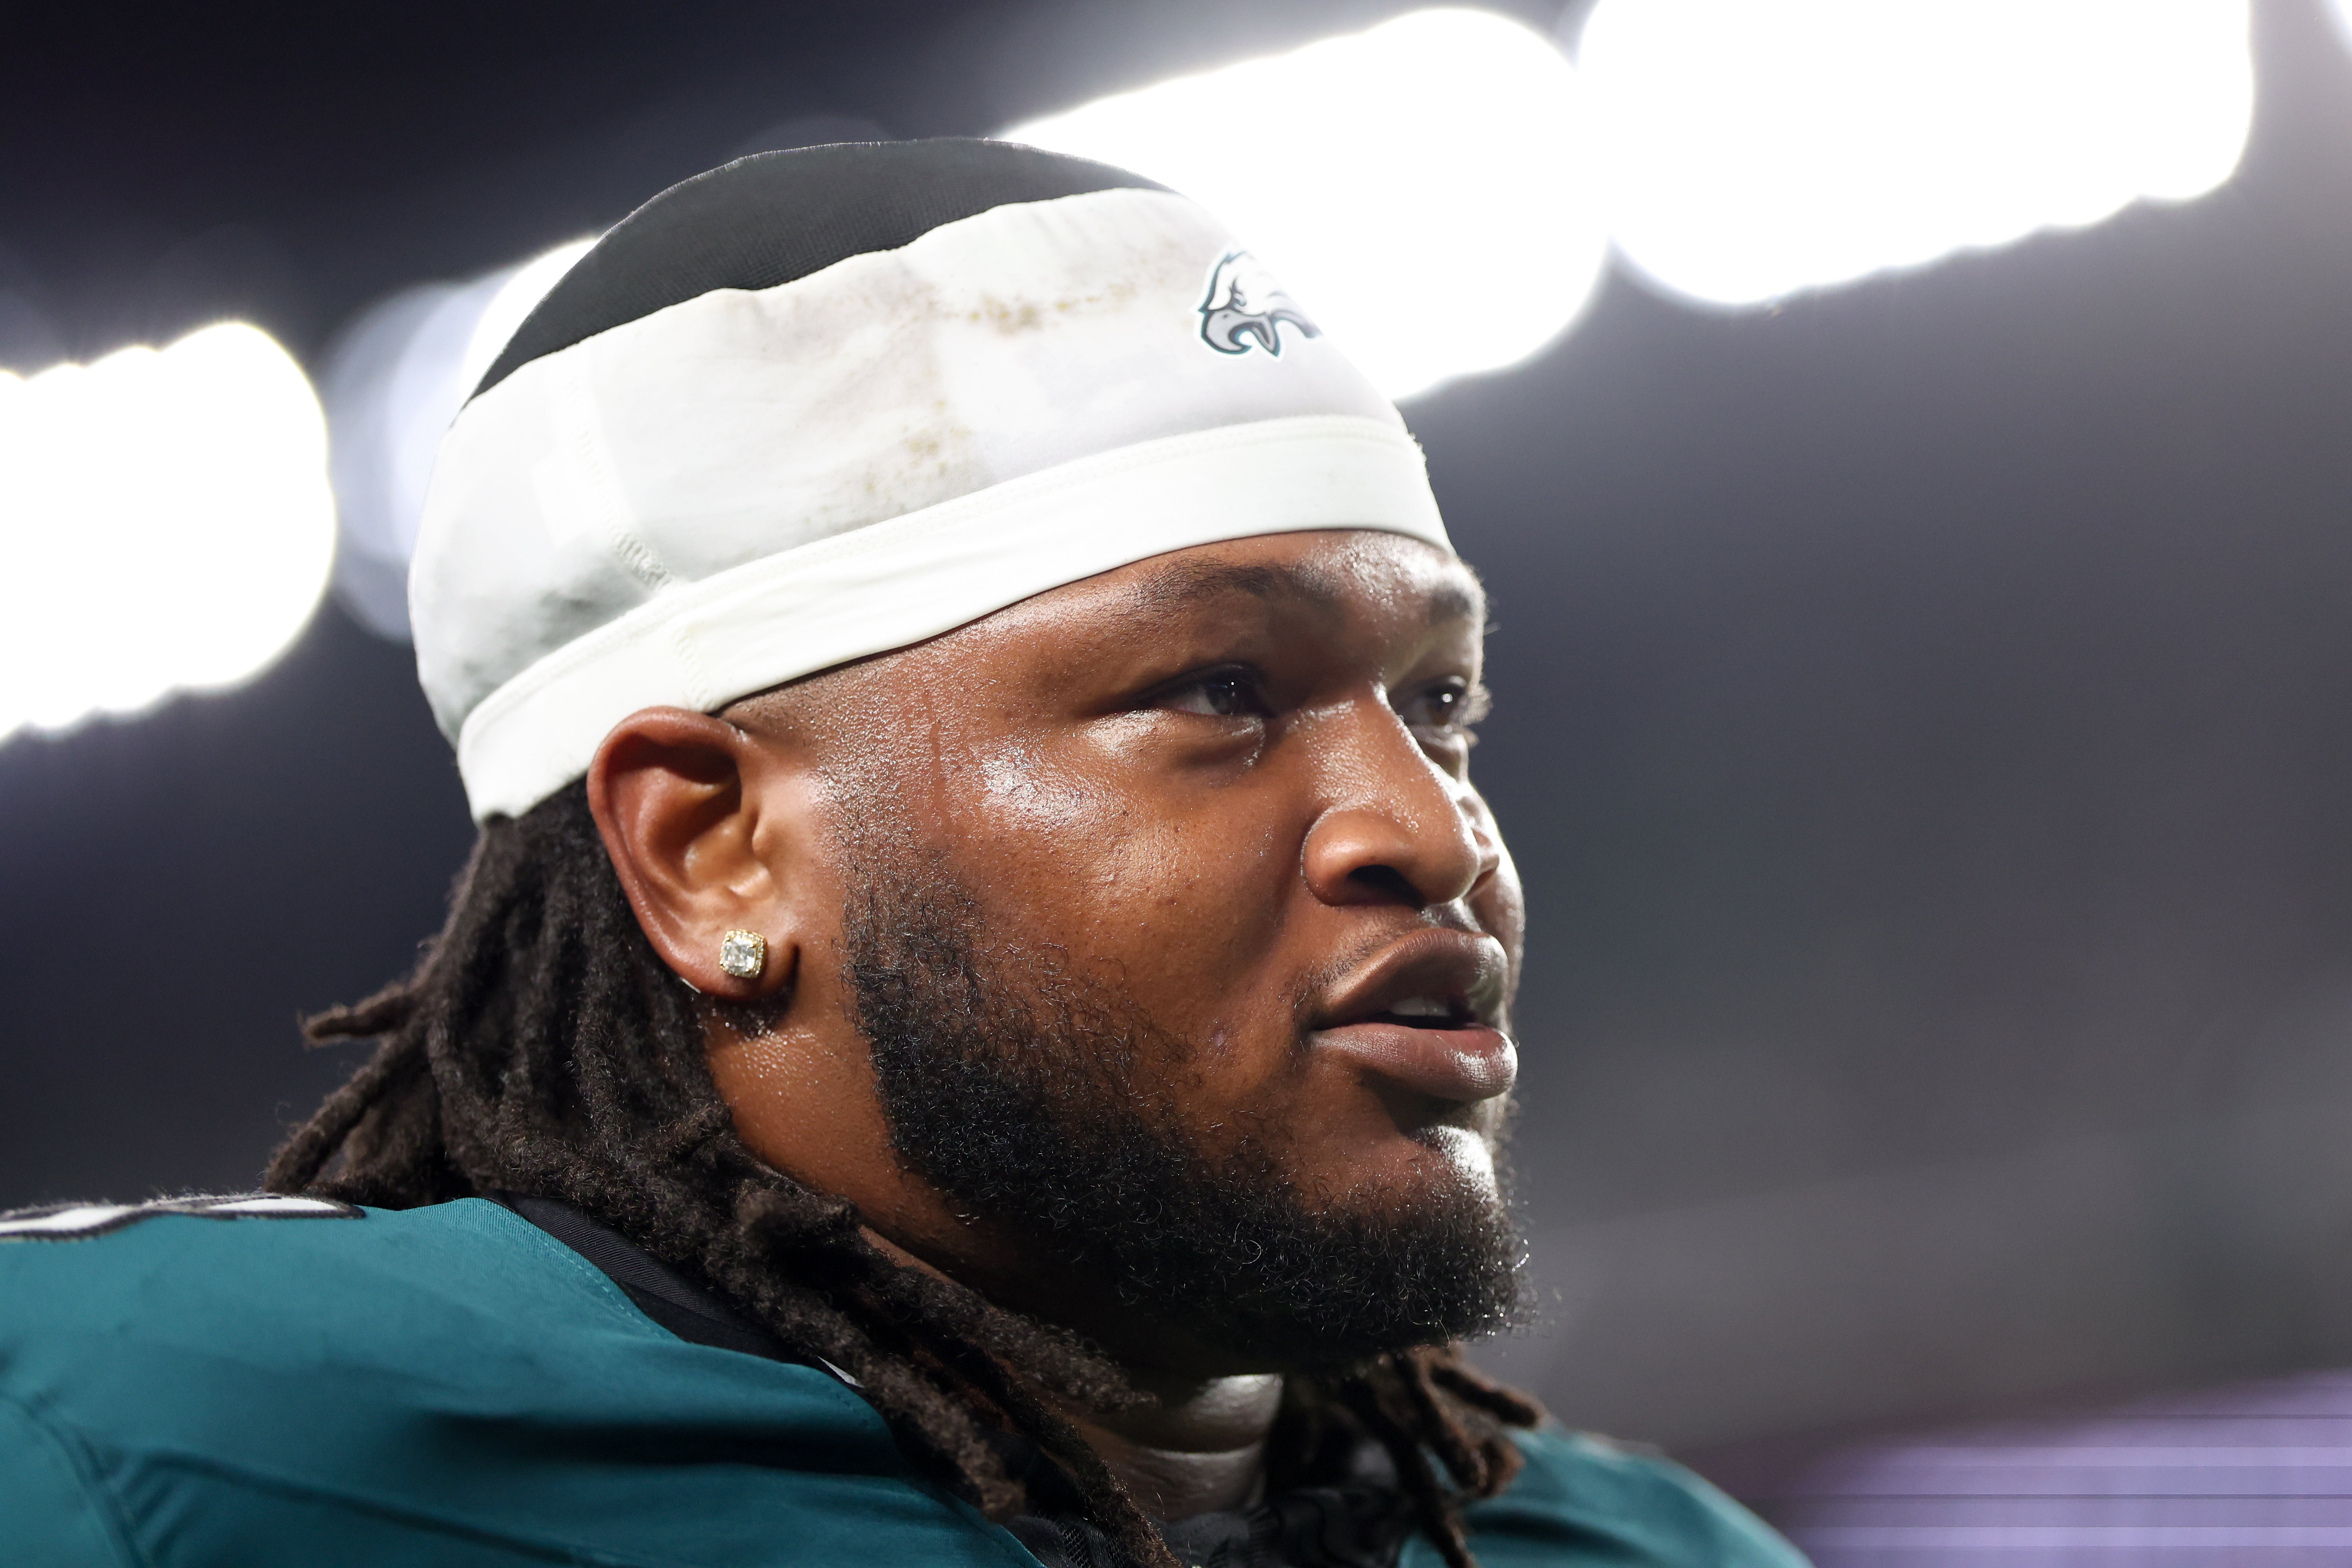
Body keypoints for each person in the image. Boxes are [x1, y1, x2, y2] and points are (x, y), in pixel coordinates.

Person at [0, 140, 1806, 1568]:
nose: (1428, 830)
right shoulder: (152, 1446)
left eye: (1440, 706)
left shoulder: (1644, 1548)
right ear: (716, 852)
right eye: (1221, 692)